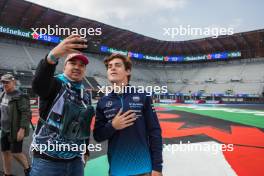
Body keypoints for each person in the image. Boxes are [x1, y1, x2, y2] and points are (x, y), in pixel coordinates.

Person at [30, 35, 94, 176]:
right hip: (46, 161)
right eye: (73, 63)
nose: (77, 67)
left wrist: (86, 149)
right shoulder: (55, 84)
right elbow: (38, 86)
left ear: (85, 70)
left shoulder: (86, 94)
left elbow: (84, 125)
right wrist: (52, 57)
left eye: (81, 65)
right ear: (65, 66)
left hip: (75, 160)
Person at [93, 54, 163, 176]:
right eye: (109, 66)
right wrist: (113, 126)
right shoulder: (102, 102)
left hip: (143, 169)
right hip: (117, 170)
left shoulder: (143, 96)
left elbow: (154, 131)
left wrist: (157, 166)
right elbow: (98, 136)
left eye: (117, 65)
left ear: (128, 71)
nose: (112, 68)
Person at [0, 74, 31, 176]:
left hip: (15, 130)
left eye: (7, 82)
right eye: (3, 82)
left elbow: (26, 114)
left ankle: (28, 170)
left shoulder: (20, 96)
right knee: (5, 151)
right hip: (4, 129)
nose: (5, 84)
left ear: (13, 82)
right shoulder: (2, 94)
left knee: (16, 153)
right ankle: (7, 173)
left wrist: (22, 129)